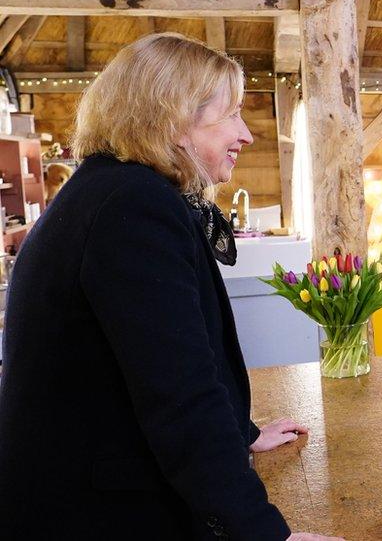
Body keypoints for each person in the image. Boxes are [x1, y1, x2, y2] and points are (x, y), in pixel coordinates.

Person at [0, 33, 341, 540]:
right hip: (90, 512)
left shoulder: (111, 190)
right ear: (172, 118)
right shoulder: (132, 207)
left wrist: (241, 434)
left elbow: (148, 359)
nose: (246, 134)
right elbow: (179, 393)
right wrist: (265, 534)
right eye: (231, 114)